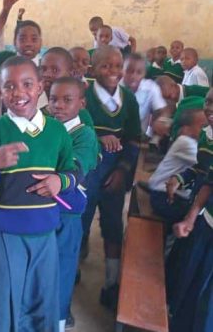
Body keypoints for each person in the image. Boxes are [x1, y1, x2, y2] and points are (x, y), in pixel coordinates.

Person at [0, 56, 76, 331]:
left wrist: (59, 182)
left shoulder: (57, 132)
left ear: (40, 87)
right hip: (4, 237)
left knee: (40, 303)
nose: (18, 93)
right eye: (9, 87)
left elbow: (73, 173)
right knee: (3, 306)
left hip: (44, 235)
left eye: (27, 84)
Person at [81, 45, 141, 310]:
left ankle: (111, 283)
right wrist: (96, 137)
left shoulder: (128, 99)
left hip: (113, 173)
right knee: (78, 222)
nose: (113, 72)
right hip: (85, 170)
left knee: (113, 226)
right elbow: (71, 130)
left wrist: (122, 170)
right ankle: (72, 267)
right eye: (106, 66)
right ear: (93, 69)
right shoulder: (83, 95)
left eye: (118, 66)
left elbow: (133, 139)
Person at [48, 77, 99, 331]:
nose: (58, 105)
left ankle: (58, 320)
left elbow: (74, 171)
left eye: (67, 100)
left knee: (62, 270)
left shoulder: (84, 135)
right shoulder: (44, 128)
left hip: (67, 216)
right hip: (43, 212)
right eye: (53, 99)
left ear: (81, 103)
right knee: (43, 268)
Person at [166, 88, 213, 332]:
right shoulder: (206, 135)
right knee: (190, 278)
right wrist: (179, 179)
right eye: (209, 101)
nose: (211, 108)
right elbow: (202, 172)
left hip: (201, 214)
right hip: (205, 217)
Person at [148, 109, 207, 223]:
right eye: (202, 127)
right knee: (199, 218)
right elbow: (205, 162)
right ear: (186, 129)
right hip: (162, 195)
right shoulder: (185, 142)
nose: (206, 130)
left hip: (172, 195)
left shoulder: (193, 143)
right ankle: (171, 238)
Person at [121, 53, 169, 136]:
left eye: (139, 72)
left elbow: (163, 110)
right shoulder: (114, 86)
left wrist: (162, 120)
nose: (133, 76)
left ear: (144, 74)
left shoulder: (150, 87)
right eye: (129, 71)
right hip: (114, 134)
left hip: (137, 136)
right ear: (122, 70)